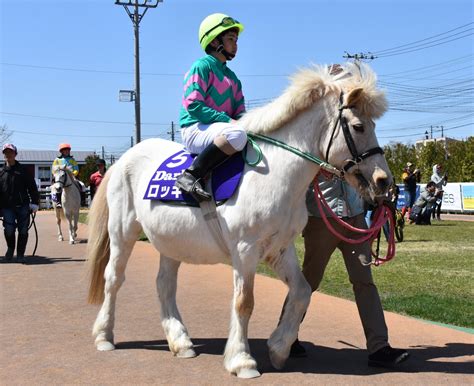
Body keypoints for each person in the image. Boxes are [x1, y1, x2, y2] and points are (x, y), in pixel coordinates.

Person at [284, 176, 409, 368]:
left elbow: (362, 176)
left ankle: (379, 348)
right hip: (321, 219)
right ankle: (285, 336)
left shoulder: (355, 148)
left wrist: (377, 197)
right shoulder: (315, 146)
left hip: (356, 219)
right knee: (309, 281)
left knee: (364, 282)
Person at [175, 13, 247, 202]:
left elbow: (241, 114)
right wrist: (228, 120)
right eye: (231, 39)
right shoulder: (201, 67)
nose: (236, 44)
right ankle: (191, 175)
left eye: (236, 39)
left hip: (220, 130)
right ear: (215, 42)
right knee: (237, 134)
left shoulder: (234, 79)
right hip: (195, 128)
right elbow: (193, 105)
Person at [0, 144, 39, 262]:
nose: (8, 155)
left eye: (10, 152)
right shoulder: (1, 172)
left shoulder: (23, 170)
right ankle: (10, 249)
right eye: (6, 152)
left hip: (23, 206)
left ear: (15, 154)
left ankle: (20, 254)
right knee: (9, 230)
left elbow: (32, 188)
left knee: (23, 230)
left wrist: (34, 203)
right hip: (7, 207)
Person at [51, 143, 79, 208]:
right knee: (57, 187)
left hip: (71, 177)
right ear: (62, 151)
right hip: (60, 178)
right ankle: (58, 202)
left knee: (82, 185)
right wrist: (56, 175)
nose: (67, 151)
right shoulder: (57, 160)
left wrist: (73, 174)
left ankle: (82, 201)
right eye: (65, 150)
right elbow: (53, 169)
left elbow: (76, 168)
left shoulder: (72, 160)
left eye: (68, 150)